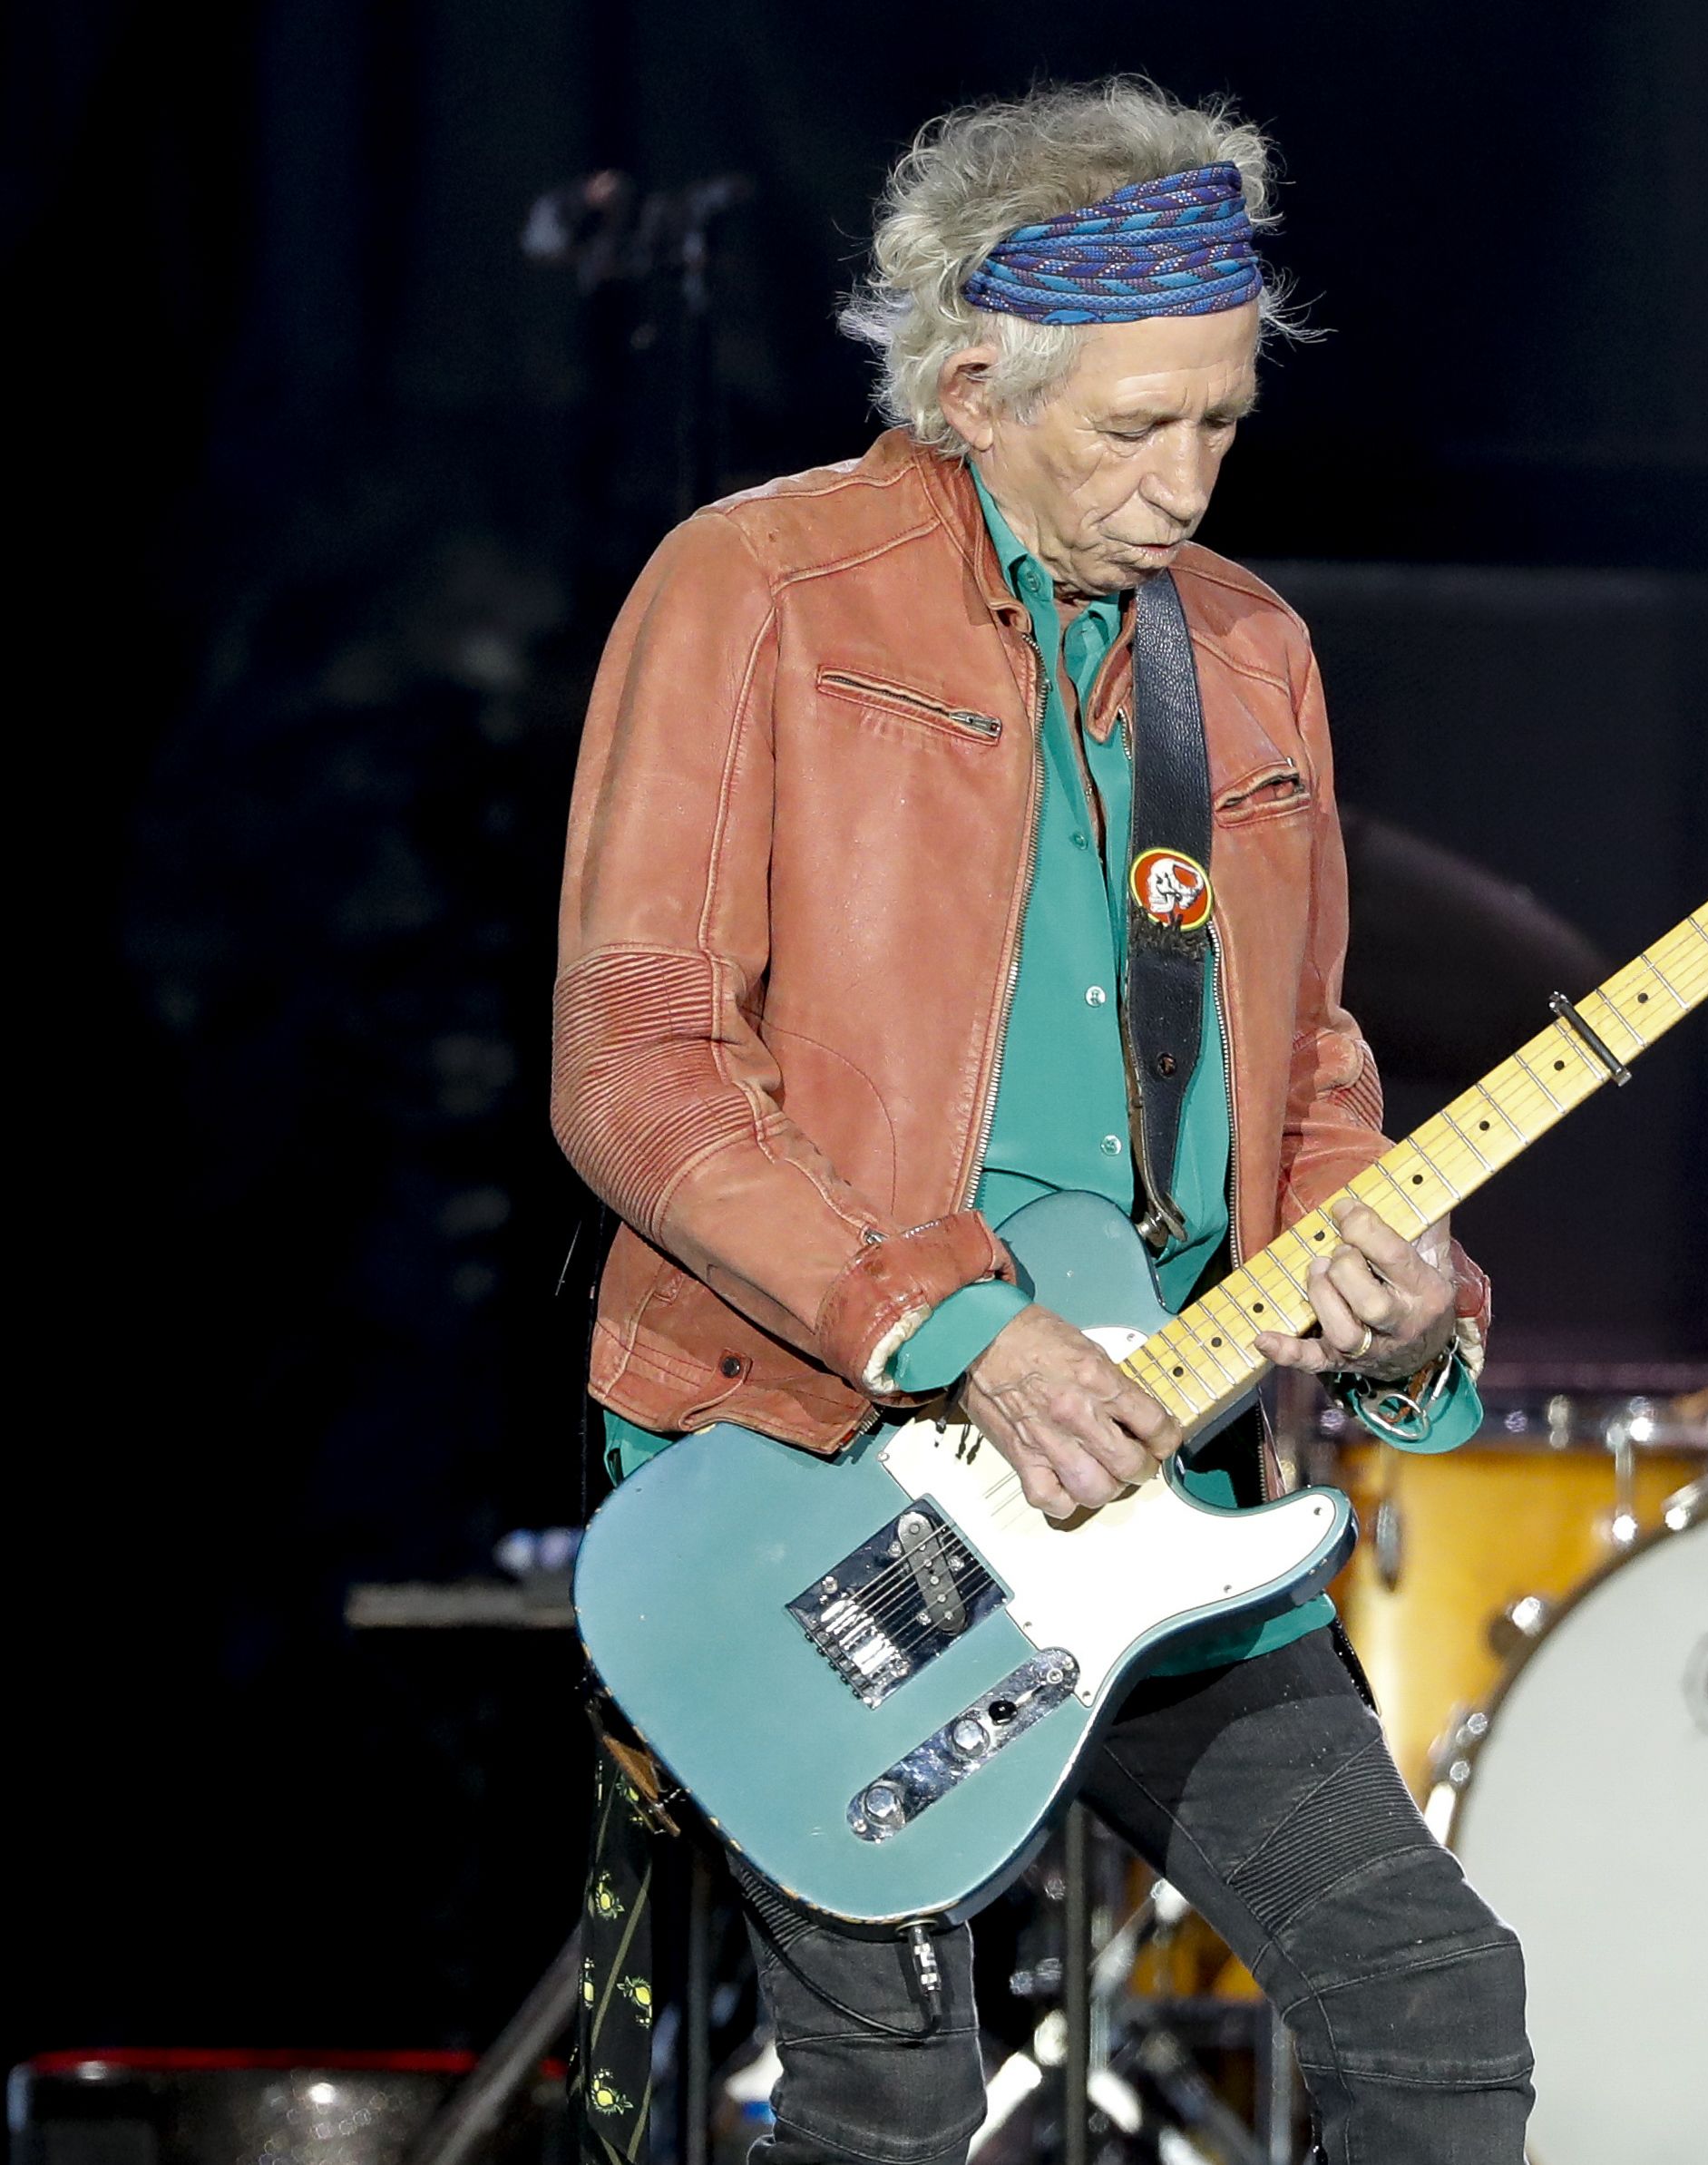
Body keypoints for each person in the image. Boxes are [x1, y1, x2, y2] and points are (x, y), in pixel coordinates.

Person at [551, 81, 1533, 2164]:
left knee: (1438, 2010)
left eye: (1220, 425)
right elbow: (636, 1060)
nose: (1184, 485)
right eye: (1132, 430)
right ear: (974, 387)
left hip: (1159, 1467)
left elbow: (1304, 1074)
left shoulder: (1247, 655)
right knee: (891, 2105)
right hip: (828, 1469)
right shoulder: (763, 591)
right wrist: (958, 1328)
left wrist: (1396, 1287)